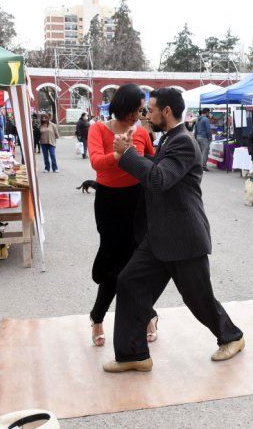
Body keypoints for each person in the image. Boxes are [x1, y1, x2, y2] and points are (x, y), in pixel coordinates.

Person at [102, 88, 244, 373]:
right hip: (159, 235)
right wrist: (128, 155)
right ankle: (133, 355)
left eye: (151, 109)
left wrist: (128, 154)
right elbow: (154, 172)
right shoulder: (168, 138)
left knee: (198, 297)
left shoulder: (183, 142)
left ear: (167, 111)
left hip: (184, 236)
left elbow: (158, 179)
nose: (147, 114)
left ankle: (232, 337)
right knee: (129, 282)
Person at [87, 84, 159, 348]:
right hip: (109, 201)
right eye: (133, 110)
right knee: (114, 264)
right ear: (121, 106)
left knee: (134, 265)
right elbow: (95, 161)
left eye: (140, 110)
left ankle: (140, 315)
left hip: (137, 201)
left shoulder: (141, 132)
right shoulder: (98, 129)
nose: (136, 116)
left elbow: (153, 161)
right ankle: (101, 318)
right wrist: (119, 153)